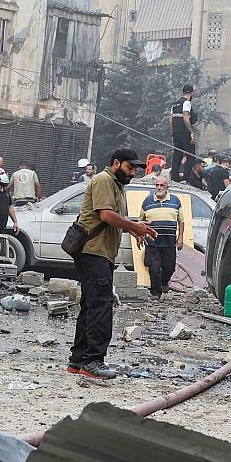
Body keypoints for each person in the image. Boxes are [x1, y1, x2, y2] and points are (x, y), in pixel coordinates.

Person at [68, 148, 156, 380]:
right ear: (116, 163)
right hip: (93, 252)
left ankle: (78, 360)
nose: (133, 173)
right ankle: (93, 361)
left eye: (135, 169)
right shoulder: (104, 180)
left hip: (101, 253)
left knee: (91, 305)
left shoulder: (116, 185)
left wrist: (133, 229)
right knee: (101, 306)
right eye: (129, 167)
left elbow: (113, 219)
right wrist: (135, 227)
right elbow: (106, 215)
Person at [137, 175, 186, 299]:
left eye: (162, 185)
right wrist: (139, 236)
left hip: (169, 242)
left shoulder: (175, 201)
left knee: (169, 267)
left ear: (167, 186)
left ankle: (164, 283)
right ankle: (155, 293)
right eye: (157, 185)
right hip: (152, 242)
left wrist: (180, 238)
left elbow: (181, 221)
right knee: (154, 268)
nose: (159, 187)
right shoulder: (147, 201)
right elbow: (140, 221)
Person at [169, 85, 196, 181]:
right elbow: (186, 118)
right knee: (191, 155)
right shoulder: (186, 102)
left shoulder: (174, 104)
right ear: (191, 93)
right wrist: (191, 132)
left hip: (176, 133)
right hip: (185, 132)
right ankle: (186, 179)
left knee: (177, 156)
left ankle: (174, 178)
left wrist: (172, 135)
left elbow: (170, 120)